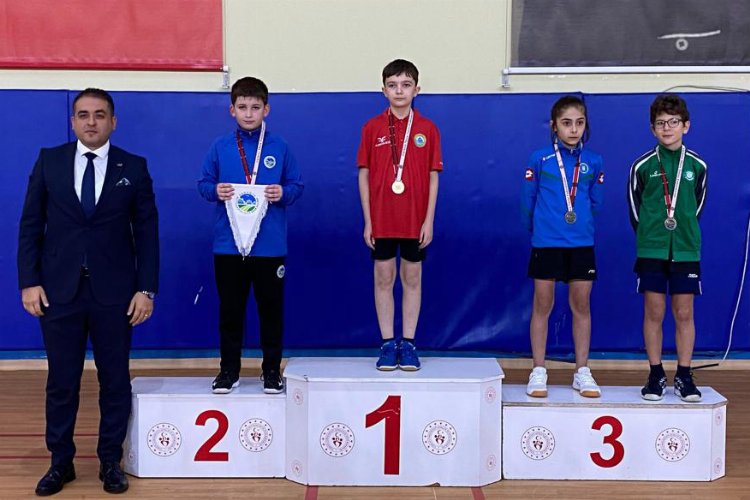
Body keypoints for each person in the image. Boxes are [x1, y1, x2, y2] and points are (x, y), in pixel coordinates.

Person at [18, 88, 159, 495]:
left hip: (115, 294)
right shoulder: (50, 161)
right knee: (62, 382)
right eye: (83, 114)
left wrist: (146, 289)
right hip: (58, 292)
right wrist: (29, 281)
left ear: (114, 121)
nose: (91, 121)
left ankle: (110, 461)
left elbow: (147, 233)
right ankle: (60, 462)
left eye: (99, 114)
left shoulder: (134, 166)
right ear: (73, 121)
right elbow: (30, 226)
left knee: (115, 380)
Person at [198, 77, 303, 395]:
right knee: (230, 311)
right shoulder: (220, 146)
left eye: (255, 107)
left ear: (266, 109)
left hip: (269, 247)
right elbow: (203, 183)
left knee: (271, 311)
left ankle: (271, 371)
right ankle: (228, 370)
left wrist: (282, 193)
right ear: (231, 110)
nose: (248, 113)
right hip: (228, 245)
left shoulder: (280, 146)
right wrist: (215, 191)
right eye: (242, 107)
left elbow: (297, 186)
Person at [357, 59, 443, 371]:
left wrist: (428, 220)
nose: (399, 91)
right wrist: (368, 220)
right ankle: (386, 343)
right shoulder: (372, 127)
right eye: (392, 85)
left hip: (414, 220)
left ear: (417, 90)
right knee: (383, 278)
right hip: (382, 218)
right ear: (383, 90)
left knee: (412, 278)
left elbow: (433, 176)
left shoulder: (428, 129)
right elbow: (364, 174)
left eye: (406, 85)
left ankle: (408, 343)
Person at [521, 95, 604, 398]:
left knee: (581, 305)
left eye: (579, 123)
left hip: (581, 244)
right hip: (546, 242)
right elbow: (527, 201)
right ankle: (538, 369)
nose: (573, 129)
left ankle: (582, 371)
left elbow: (596, 203)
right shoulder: (539, 158)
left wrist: (581, 228)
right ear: (554, 126)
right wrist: (541, 230)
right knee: (542, 305)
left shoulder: (594, 161)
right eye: (567, 123)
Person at [627, 94, 707, 402]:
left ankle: (684, 375)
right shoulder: (642, 166)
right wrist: (651, 235)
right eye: (660, 123)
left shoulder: (698, 165)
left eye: (673, 122)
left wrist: (680, 229)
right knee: (654, 310)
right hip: (652, 249)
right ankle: (656, 373)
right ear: (652, 128)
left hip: (686, 249)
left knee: (684, 312)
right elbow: (635, 210)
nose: (667, 128)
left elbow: (696, 206)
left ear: (686, 125)